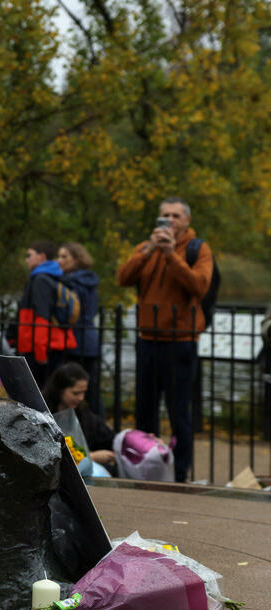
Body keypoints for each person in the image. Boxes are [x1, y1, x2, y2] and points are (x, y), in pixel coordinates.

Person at [117, 196, 213, 482]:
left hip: (180, 341)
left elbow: (199, 286)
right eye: (165, 216)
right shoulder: (146, 248)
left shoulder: (198, 249)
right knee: (144, 410)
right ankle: (144, 468)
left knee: (179, 413)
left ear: (186, 221)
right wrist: (147, 252)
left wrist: (172, 254)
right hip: (148, 338)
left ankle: (179, 474)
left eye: (175, 216)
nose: (170, 221)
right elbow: (123, 278)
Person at [14, 240, 77, 386]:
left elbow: (42, 317)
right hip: (54, 344)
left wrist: (40, 353)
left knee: (40, 394)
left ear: (42, 257)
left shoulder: (41, 279)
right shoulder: (55, 277)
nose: (26, 259)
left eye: (29, 255)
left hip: (41, 349)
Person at [42, 362, 116, 476]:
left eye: (83, 392)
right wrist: (92, 457)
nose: (81, 398)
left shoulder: (82, 413)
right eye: (75, 393)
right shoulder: (42, 415)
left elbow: (108, 436)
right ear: (59, 390)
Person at [58, 242, 102, 415]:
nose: (59, 261)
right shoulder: (90, 282)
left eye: (64, 257)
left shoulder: (70, 283)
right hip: (89, 337)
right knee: (91, 389)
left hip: (76, 338)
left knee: (75, 388)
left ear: (76, 260)